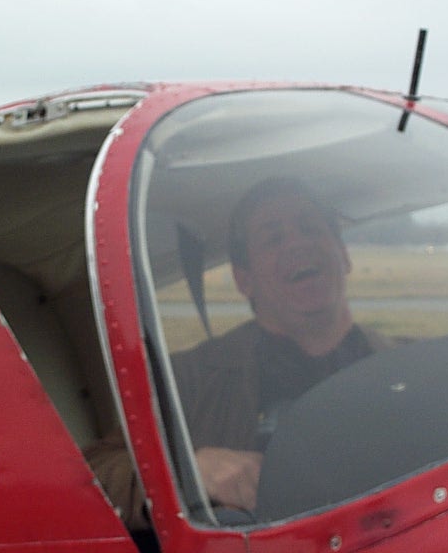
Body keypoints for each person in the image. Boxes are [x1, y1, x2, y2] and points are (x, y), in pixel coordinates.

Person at [84, 177, 389, 527]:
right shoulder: (188, 378)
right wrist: (191, 470)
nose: (298, 244)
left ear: (344, 255)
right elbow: (92, 474)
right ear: (244, 279)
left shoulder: (410, 366)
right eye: (273, 238)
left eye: (310, 228)